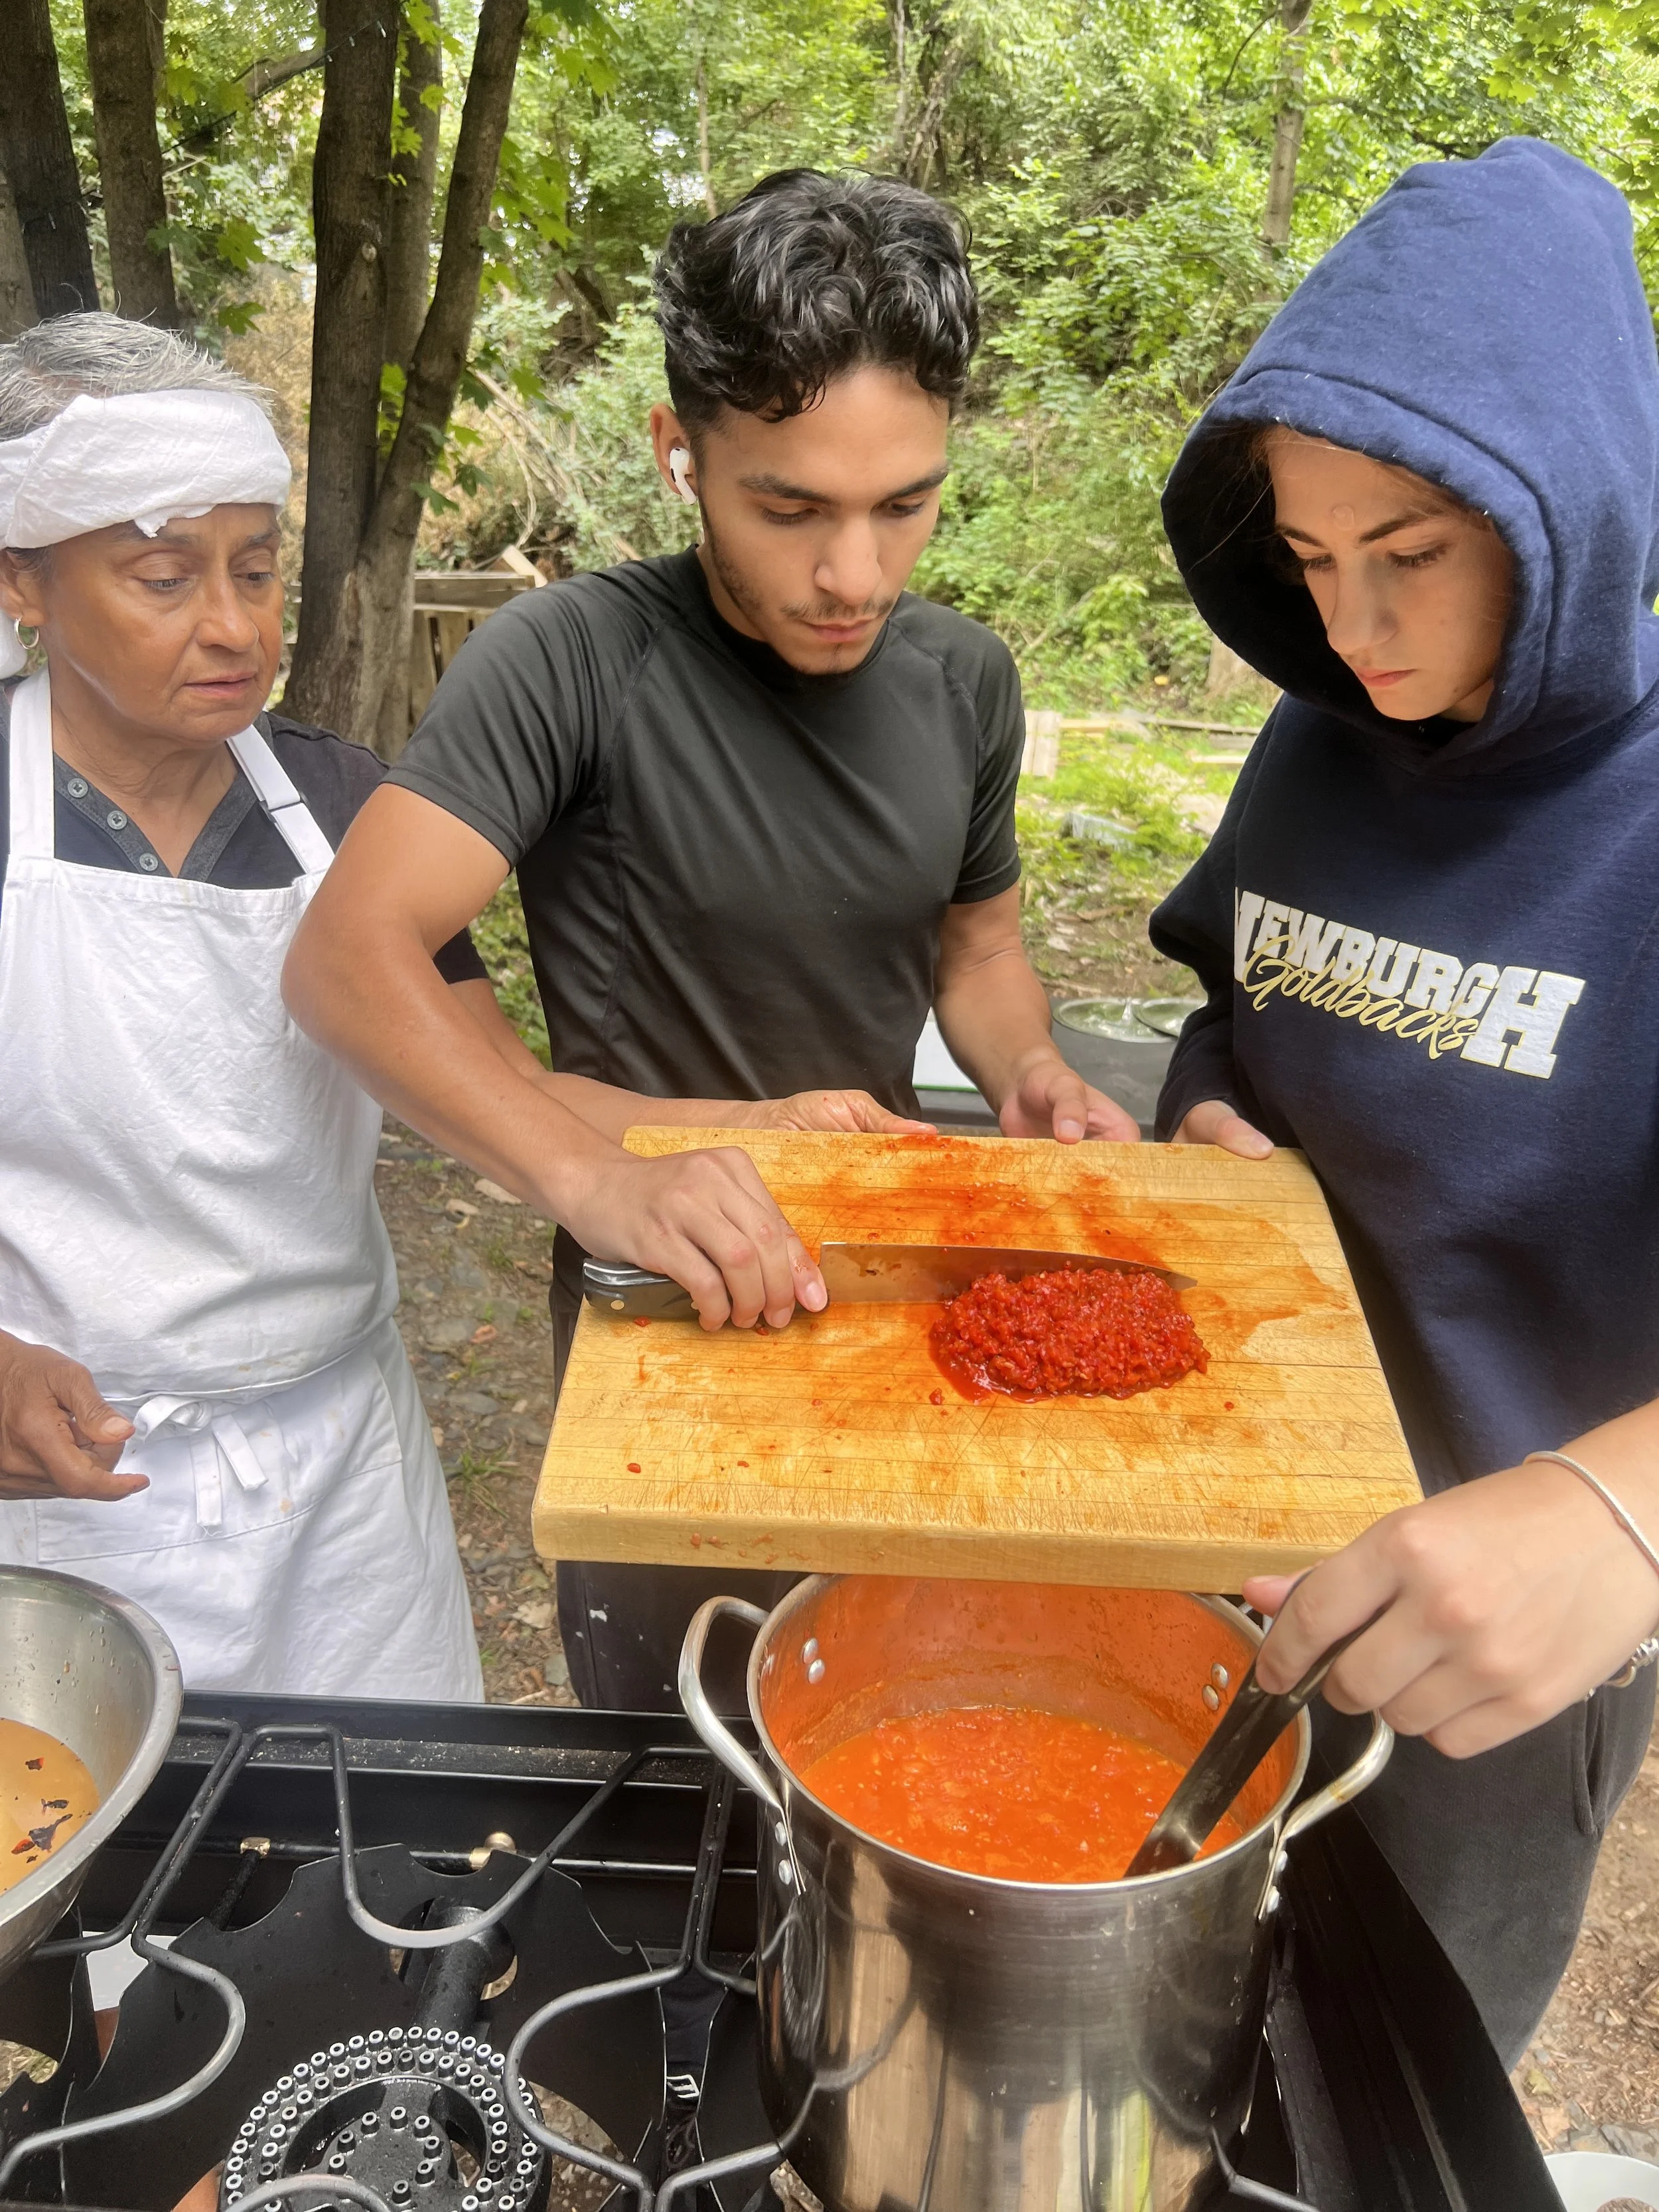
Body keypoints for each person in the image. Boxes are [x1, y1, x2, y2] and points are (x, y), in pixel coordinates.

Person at [283, 169, 1136, 1708]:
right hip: (660, 1307)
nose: (852, 575)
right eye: (789, 506)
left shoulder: (963, 680)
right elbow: (348, 959)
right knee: (678, 1774)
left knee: (885, 1720)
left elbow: (980, 951)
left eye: (903, 503)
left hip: (890, 1293)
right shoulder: (573, 661)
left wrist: (1029, 1073)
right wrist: (593, 1180)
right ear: (681, 452)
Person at [1151, 137, 1659, 2063]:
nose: (1352, 626)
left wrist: (1618, 1512)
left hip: (1500, 1638)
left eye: (1411, 556)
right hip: (1230, 1542)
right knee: (1164, 2040)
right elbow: (1233, 996)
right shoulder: (1321, 742)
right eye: (1303, 560)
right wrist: (1211, 1111)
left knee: (1394, 2084)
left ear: (1572, 508)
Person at [0, 316, 496, 1698]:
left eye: (258, 569)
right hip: (67, 1504)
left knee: (395, 1864)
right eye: (164, 576)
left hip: (346, 1494)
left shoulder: (344, 809)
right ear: (20, 580)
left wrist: (736, 1132)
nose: (234, 625)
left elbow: (495, 1086)